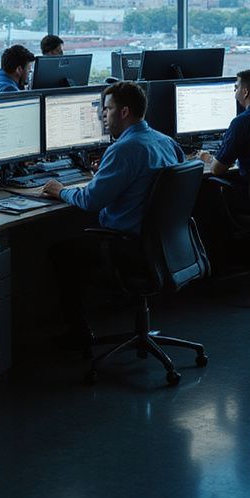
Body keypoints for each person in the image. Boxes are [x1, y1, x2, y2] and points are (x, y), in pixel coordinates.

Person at [43, 80, 184, 345]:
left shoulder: (122, 150)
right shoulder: (167, 142)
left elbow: (90, 200)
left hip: (128, 246)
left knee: (60, 252)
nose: (102, 116)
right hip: (165, 247)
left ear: (124, 112)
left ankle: (78, 334)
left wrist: (60, 190)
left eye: (106, 110)